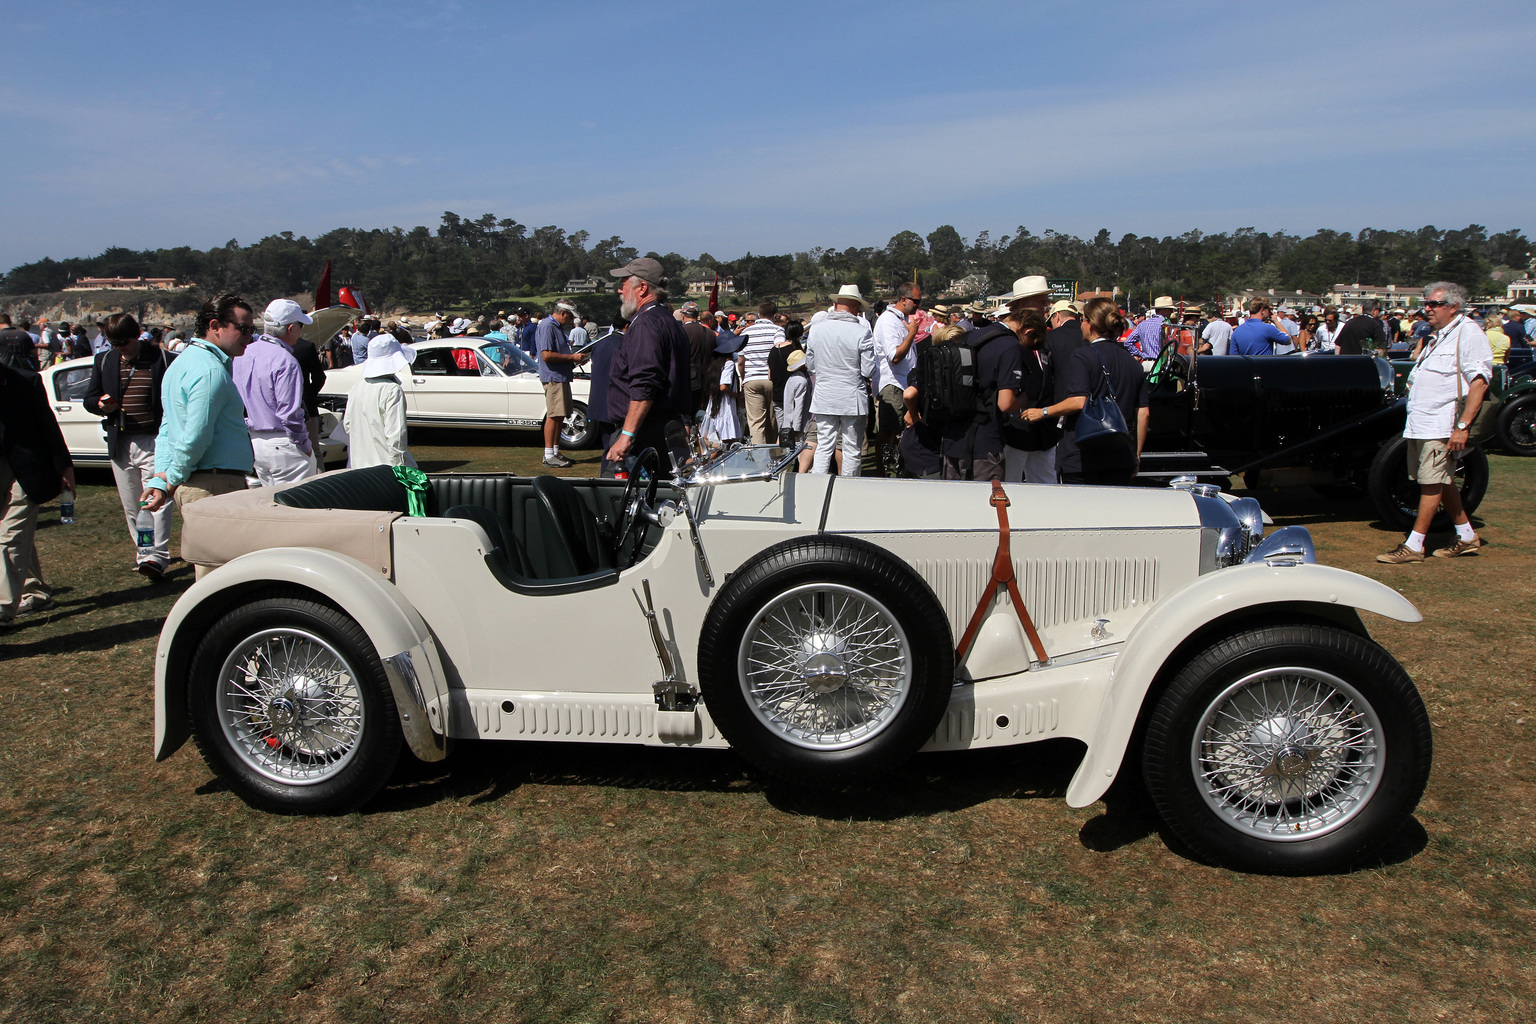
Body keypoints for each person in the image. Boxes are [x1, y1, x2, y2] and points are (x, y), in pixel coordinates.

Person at [139, 295, 257, 580]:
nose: (250, 338)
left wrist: (162, 477)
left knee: (216, 572)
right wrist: (171, 478)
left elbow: (168, 429)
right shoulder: (209, 370)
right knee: (219, 576)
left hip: (206, 482)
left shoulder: (182, 364)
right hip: (213, 485)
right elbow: (195, 436)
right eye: (244, 329)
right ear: (216, 325)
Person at [1378, 282, 1493, 562]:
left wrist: (1462, 426)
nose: (1427, 308)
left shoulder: (1468, 332)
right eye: (1426, 303)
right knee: (1441, 480)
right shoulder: (1438, 335)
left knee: (1431, 483)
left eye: (1434, 304)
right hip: (1423, 422)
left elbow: (1479, 382)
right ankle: (1466, 536)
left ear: (1453, 307)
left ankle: (1415, 545)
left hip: (1443, 423)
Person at [82, 312, 177, 580]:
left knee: (156, 499)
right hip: (120, 440)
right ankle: (143, 551)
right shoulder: (105, 360)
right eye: (113, 343)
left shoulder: (162, 359)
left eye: (123, 342)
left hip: (154, 439)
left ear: (136, 335)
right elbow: (89, 397)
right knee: (131, 504)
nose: (119, 348)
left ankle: (156, 556)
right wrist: (100, 405)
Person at [1024, 297, 1149, 485]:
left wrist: (1042, 412)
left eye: (1083, 320)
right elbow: (1143, 413)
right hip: (1121, 453)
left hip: (1083, 452)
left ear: (1090, 324)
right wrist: (1136, 455)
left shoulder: (1083, 356)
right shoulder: (1133, 363)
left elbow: (1078, 401)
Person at [0, 360, 74, 625]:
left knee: (11, 535)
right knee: (19, 537)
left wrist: (64, 466)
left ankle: (3, 608)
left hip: (26, 470)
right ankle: (35, 591)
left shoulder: (26, 381)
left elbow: (47, 425)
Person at [604, 257, 692, 473]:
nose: (619, 291)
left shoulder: (646, 324)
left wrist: (627, 435)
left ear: (642, 288)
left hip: (643, 437)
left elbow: (645, 385)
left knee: (620, 502)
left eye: (623, 284)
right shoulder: (669, 321)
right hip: (662, 431)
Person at [236, 299, 317, 488]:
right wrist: (304, 446)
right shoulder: (285, 361)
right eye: (300, 326)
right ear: (291, 328)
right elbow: (289, 413)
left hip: (256, 440)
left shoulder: (244, 354)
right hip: (284, 441)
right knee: (297, 505)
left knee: (271, 503)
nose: (301, 331)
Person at [941, 308, 1025, 481]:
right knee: (986, 502)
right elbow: (1005, 403)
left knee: (953, 502)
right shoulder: (1010, 345)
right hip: (984, 441)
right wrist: (1025, 400)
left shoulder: (968, 338)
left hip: (953, 437)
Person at [806, 285, 876, 476]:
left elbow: (811, 365)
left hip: (824, 395)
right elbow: (868, 370)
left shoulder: (816, 330)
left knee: (823, 446)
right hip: (851, 397)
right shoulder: (861, 332)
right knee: (851, 448)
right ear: (855, 307)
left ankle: (818, 487)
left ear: (835, 304)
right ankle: (849, 489)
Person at [344, 330, 416, 470]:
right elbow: (396, 435)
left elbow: (348, 425)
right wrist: (400, 469)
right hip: (385, 467)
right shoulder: (392, 390)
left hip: (358, 465)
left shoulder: (357, 387)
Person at [1002, 308, 1058, 483]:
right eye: (1040, 302)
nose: (1044, 307)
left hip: (1043, 430)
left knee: (1045, 480)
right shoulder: (1009, 345)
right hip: (1015, 428)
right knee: (1012, 480)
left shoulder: (1042, 346)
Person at [872, 282, 922, 470]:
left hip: (903, 382)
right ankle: (881, 470)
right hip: (893, 383)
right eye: (916, 301)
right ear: (903, 299)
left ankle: (895, 467)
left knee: (900, 430)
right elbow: (895, 356)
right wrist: (912, 334)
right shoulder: (888, 320)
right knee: (888, 430)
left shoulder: (900, 319)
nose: (918, 305)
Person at [535, 301, 588, 469]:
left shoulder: (555, 327)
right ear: (563, 313)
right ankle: (549, 454)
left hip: (560, 375)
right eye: (571, 316)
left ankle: (555, 451)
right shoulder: (547, 326)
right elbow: (546, 355)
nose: (571, 320)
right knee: (553, 415)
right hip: (553, 377)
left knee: (560, 415)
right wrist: (572, 358)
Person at [736, 301, 784, 443]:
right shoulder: (777, 330)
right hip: (771, 379)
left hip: (751, 379)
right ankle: (774, 455)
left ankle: (759, 457)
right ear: (774, 316)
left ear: (759, 314)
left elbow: (740, 361)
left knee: (756, 422)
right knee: (772, 420)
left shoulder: (746, 332)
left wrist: (743, 379)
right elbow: (780, 350)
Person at [700, 333, 743, 446]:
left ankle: (707, 460)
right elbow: (723, 386)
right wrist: (737, 396)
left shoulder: (716, 363)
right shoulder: (729, 363)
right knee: (726, 443)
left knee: (715, 440)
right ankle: (708, 463)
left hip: (715, 404)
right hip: (726, 405)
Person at [779, 349, 812, 453]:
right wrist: (796, 428)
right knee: (799, 450)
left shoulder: (791, 379)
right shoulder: (802, 381)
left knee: (789, 451)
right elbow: (799, 406)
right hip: (798, 424)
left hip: (787, 421)